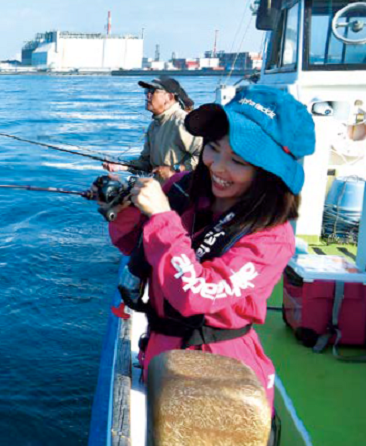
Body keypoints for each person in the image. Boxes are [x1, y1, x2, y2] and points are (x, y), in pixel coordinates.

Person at [102, 85, 315, 407]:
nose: (217, 166)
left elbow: (197, 294)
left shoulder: (271, 236)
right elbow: (133, 245)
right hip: (160, 351)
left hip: (218, 372)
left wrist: (161, 216)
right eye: (213, 148)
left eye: (238, 161)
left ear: (270, 172)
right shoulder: (184, 190)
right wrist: (123, 208)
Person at [104, 77, 203, 182]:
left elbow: (204, 156)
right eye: (146, 91)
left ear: (169, 97)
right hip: (162, 191)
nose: (147, 95)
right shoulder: (154, 126)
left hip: (182, 192)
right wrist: (121, 166)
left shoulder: (183, 122)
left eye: (152, 91)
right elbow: (146, 163)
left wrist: (175, 169)